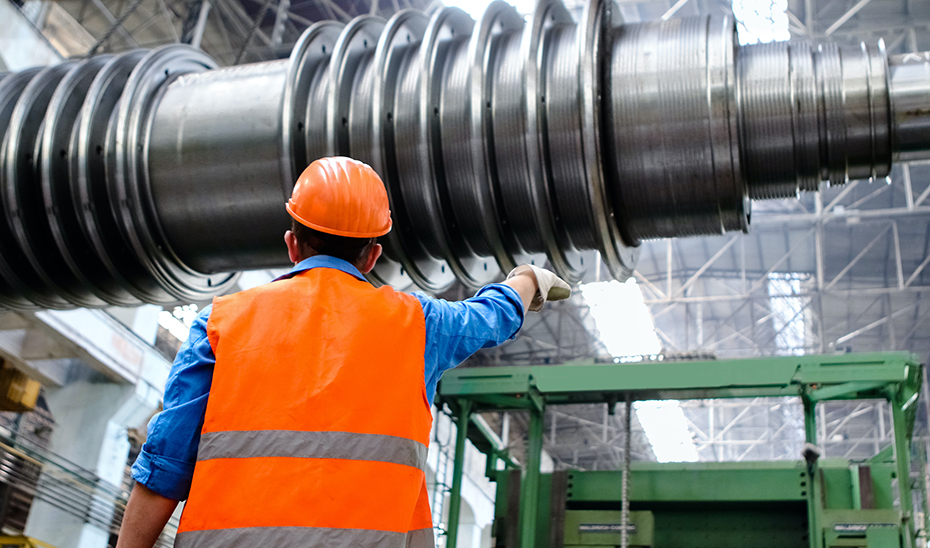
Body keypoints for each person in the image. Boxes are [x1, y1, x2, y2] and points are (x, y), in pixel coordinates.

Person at [115, 156, 571, 548]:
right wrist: (525, 280)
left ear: (292, 243)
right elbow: (490, 316)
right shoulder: (420, 325)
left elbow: (163, 469)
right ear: (372, 256)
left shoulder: (220, 323)